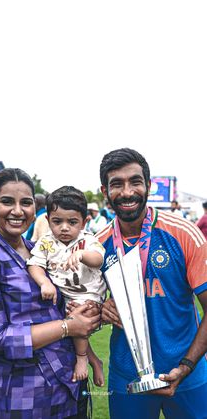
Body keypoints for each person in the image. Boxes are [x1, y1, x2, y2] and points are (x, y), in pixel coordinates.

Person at [0, 168, 101, 419]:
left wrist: (87, 354)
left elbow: (59, 309)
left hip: (66, 388)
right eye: (7, 201)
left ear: (35, 208)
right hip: (18, 399)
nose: (18, 211)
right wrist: (68, 327)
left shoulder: (39, 252)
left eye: (26, 203)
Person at [96, 148, 207, 419]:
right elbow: (83, 307)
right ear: (104, 191)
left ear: (148, 185)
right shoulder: (96, 245)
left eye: (135, 181)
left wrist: (187, 365)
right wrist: (101, 309)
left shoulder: (183, 234)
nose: (127, 191)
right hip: (127, 377)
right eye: (116, 184)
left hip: (188, 375)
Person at [27, 186, 106, 386]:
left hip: (88, 295)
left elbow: (98, 259)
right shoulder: (46, 242)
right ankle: (95, 360)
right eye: (57, 221)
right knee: (71, 326)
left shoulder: (87, 240)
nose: (64, 227)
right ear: (47, 220)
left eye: (72, 222)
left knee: (77, 318)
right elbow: (34, 264)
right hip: (64, 295)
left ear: (84, 222)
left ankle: (82, 359)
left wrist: (81, 255)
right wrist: (44, 282)